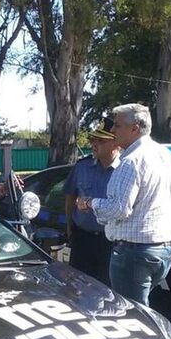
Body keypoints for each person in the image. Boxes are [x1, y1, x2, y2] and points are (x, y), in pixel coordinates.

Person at [76, 103, 171, 306]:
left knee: (132, 316)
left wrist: (90, 202)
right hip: (163, 250)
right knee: (141, 309)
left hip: (134, 252)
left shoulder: (131, 161)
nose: (113, 130)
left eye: (117, 125)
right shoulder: (165, 155)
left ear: (135, 128)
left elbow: (119, 209)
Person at [62, 118, 120, 285]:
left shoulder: (125, 170)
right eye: (93, 139)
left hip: (111, 243)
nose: (94, 144)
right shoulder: (82, 166)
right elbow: (70, 196)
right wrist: (69, 227)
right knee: (78, 288)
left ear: (115, 144)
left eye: (101, 141)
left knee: (108, 291)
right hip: (83, 239)